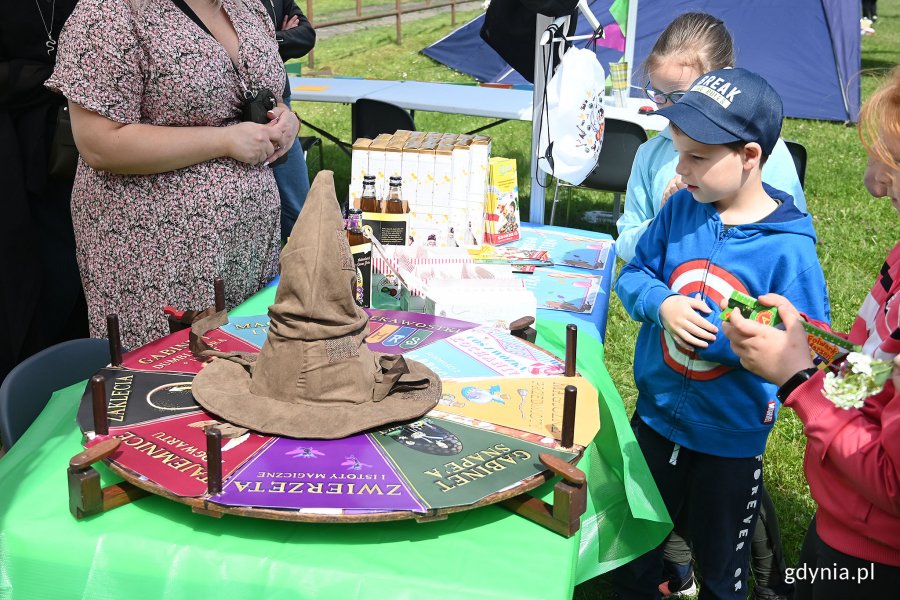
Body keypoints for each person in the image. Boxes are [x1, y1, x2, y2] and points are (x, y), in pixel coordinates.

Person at [612, 67, 830, 600]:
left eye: (697, 158)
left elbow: (813, 346)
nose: (680, 169)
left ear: (750, 156)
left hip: (730, 443)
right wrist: (661, 303)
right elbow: (635, 275)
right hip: (655, 417)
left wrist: (734, 343)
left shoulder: (788, 250)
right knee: (636, 541)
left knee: (721, 561)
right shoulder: (681, 208)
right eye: (677, 151)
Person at [722, 66, 900, 600]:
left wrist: (800, 381)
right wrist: (819, 346)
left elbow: (892, 483)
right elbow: (878, 373)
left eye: (890, 163)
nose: (872, 182)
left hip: (875, 563)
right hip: (842, 524)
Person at [45, 0, 299, 349]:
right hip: (159, 254)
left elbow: (260, 90)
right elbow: (98, 143)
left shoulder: (246, 5)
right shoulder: (109, 12)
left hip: (247, 247)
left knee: (247, 373)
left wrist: (285, 119)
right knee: (171, 384)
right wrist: (224, 141)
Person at [615, 12, 806, 265]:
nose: (666, 108)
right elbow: (626, 243)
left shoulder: (767, 152)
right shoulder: (650, 154)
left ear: (722, 78)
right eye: (657, 94)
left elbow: (790, 237)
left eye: (682, 96)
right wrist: (665, 219)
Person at [0, 0, 89, 386]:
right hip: (14, 157)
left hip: (85, 158)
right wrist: (60, 76)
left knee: (77, 276)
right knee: (28, 277)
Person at [260, 0, 316, 242]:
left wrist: (269, 40)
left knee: (299, 209)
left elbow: (305, 36)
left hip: (279, 104)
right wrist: (280, 37)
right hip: (238, 112)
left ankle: (304, 271)